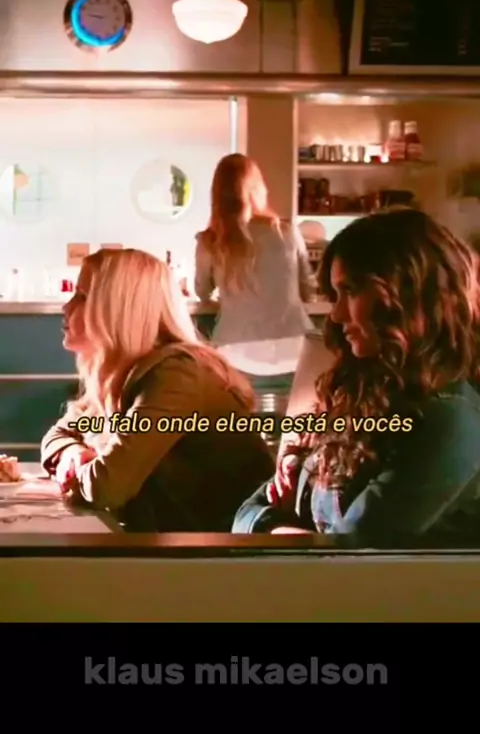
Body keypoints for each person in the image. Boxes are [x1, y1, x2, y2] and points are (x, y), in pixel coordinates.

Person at [233, 207, 480, 547]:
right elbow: (245, 515)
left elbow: (353, 555)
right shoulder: (357, 396)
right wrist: (279, 524)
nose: (336, 315)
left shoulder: (449, 418)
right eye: (335, 296)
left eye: (349, 291)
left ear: (406, 294)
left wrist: (278, 529)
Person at [40, 248, 273, 532]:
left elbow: (107, 487)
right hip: (171, 538)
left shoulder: (176, 374)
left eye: (82, 296)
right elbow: (56, 437)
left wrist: (77, 471)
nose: (66, 307)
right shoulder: (119, 370)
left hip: (227, 547)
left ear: (118, 310)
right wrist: (74, 454)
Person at [194, 153, 314, 347]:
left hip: (237, 344)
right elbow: (307, 288)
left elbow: (202, 292)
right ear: (258, 188)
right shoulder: (287, 231)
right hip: (293, 341)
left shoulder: (211, 240)